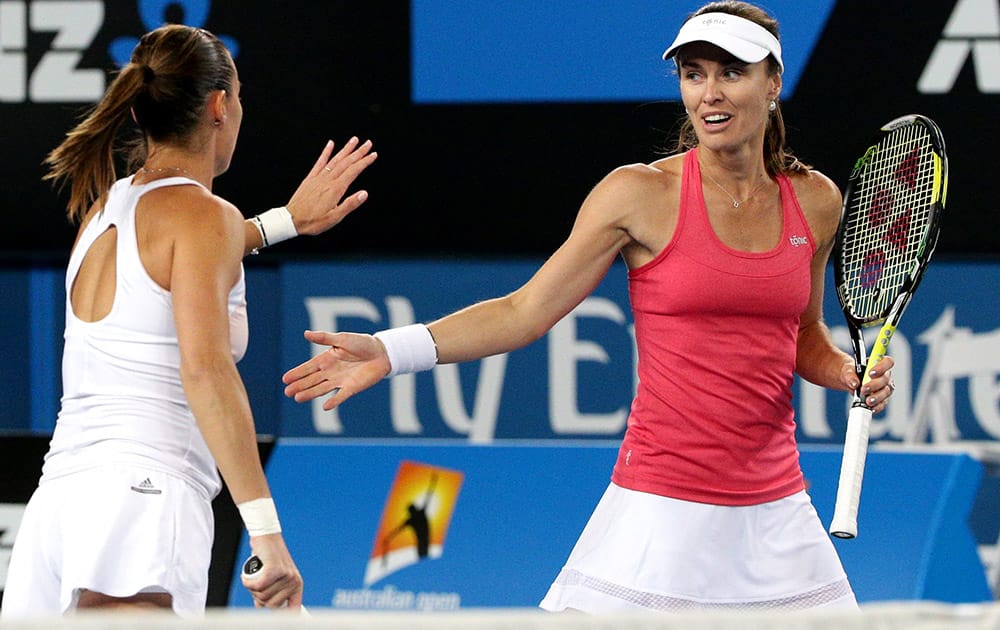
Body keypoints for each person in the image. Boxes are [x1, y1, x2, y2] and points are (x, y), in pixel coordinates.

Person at [281, 1, 896, 613]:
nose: (710, 93)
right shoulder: (638, 194)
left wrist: (846, 371)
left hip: (777, 510)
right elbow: (524, 312)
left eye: (731, 73)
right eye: (693, 74)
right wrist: (393, 350)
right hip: (661, 505)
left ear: (773, 83)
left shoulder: (815, 201)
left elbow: (802, 331)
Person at [1, 24, 376, 618]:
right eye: (242, 94)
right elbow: (206, 372)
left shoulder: (107, 207)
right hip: (141, 501)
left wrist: (286, 221)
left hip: (60, 511)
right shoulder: (202, 216)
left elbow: (199, 254)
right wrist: (266, 532)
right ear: (219, 105)